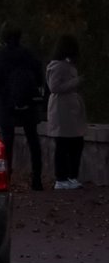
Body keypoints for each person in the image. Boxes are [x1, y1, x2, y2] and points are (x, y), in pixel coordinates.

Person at [0, 25, 45, 191]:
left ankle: (5, 178)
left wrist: (0, 95)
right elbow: (39, 77)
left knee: (7, 142)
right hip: (28, 103)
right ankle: (36, 179)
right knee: (33, 139)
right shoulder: (28, 55)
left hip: (6, 103)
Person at [45, 35, 85, 190]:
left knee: (75, 143)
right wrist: (75, 82)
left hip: (70, 110)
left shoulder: (67, 65)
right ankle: (61, 178)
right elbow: (54, 87)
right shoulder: (57, 66)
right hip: (62, 111)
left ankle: (71, 176)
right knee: (63, 144)